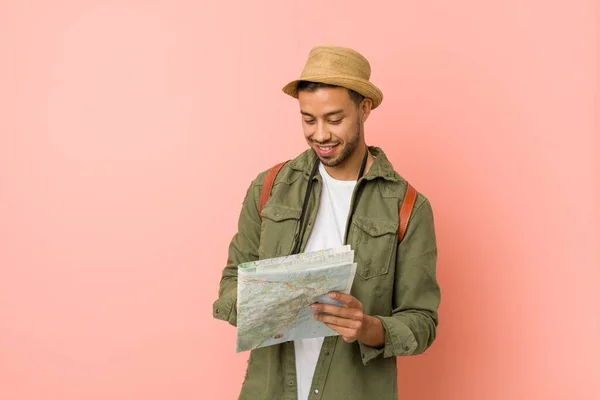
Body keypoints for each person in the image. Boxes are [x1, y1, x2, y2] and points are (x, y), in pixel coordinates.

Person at [212, 45, 441, 400]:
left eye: (335, 119)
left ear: (364, 108)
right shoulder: (269, 188)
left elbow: (422, 322)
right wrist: (254, 304)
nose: (320, 134)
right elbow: (229, 284)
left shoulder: (408, 207)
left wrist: (368, 327)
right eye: (308, 119)